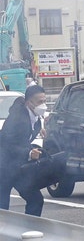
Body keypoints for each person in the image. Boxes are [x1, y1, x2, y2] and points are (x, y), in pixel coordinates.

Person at [0, 85, 48, 216]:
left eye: (45, 101)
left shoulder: (36, 119)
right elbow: (5, 143)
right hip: (3, 167)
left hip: (18, 167)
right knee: (2, 205)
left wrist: (32, 149)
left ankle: (31, 232)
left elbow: (22, 140)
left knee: (36, 199)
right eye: (39, 102)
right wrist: (28, 153)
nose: (43, 105)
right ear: (29, 103)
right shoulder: (16, 118)